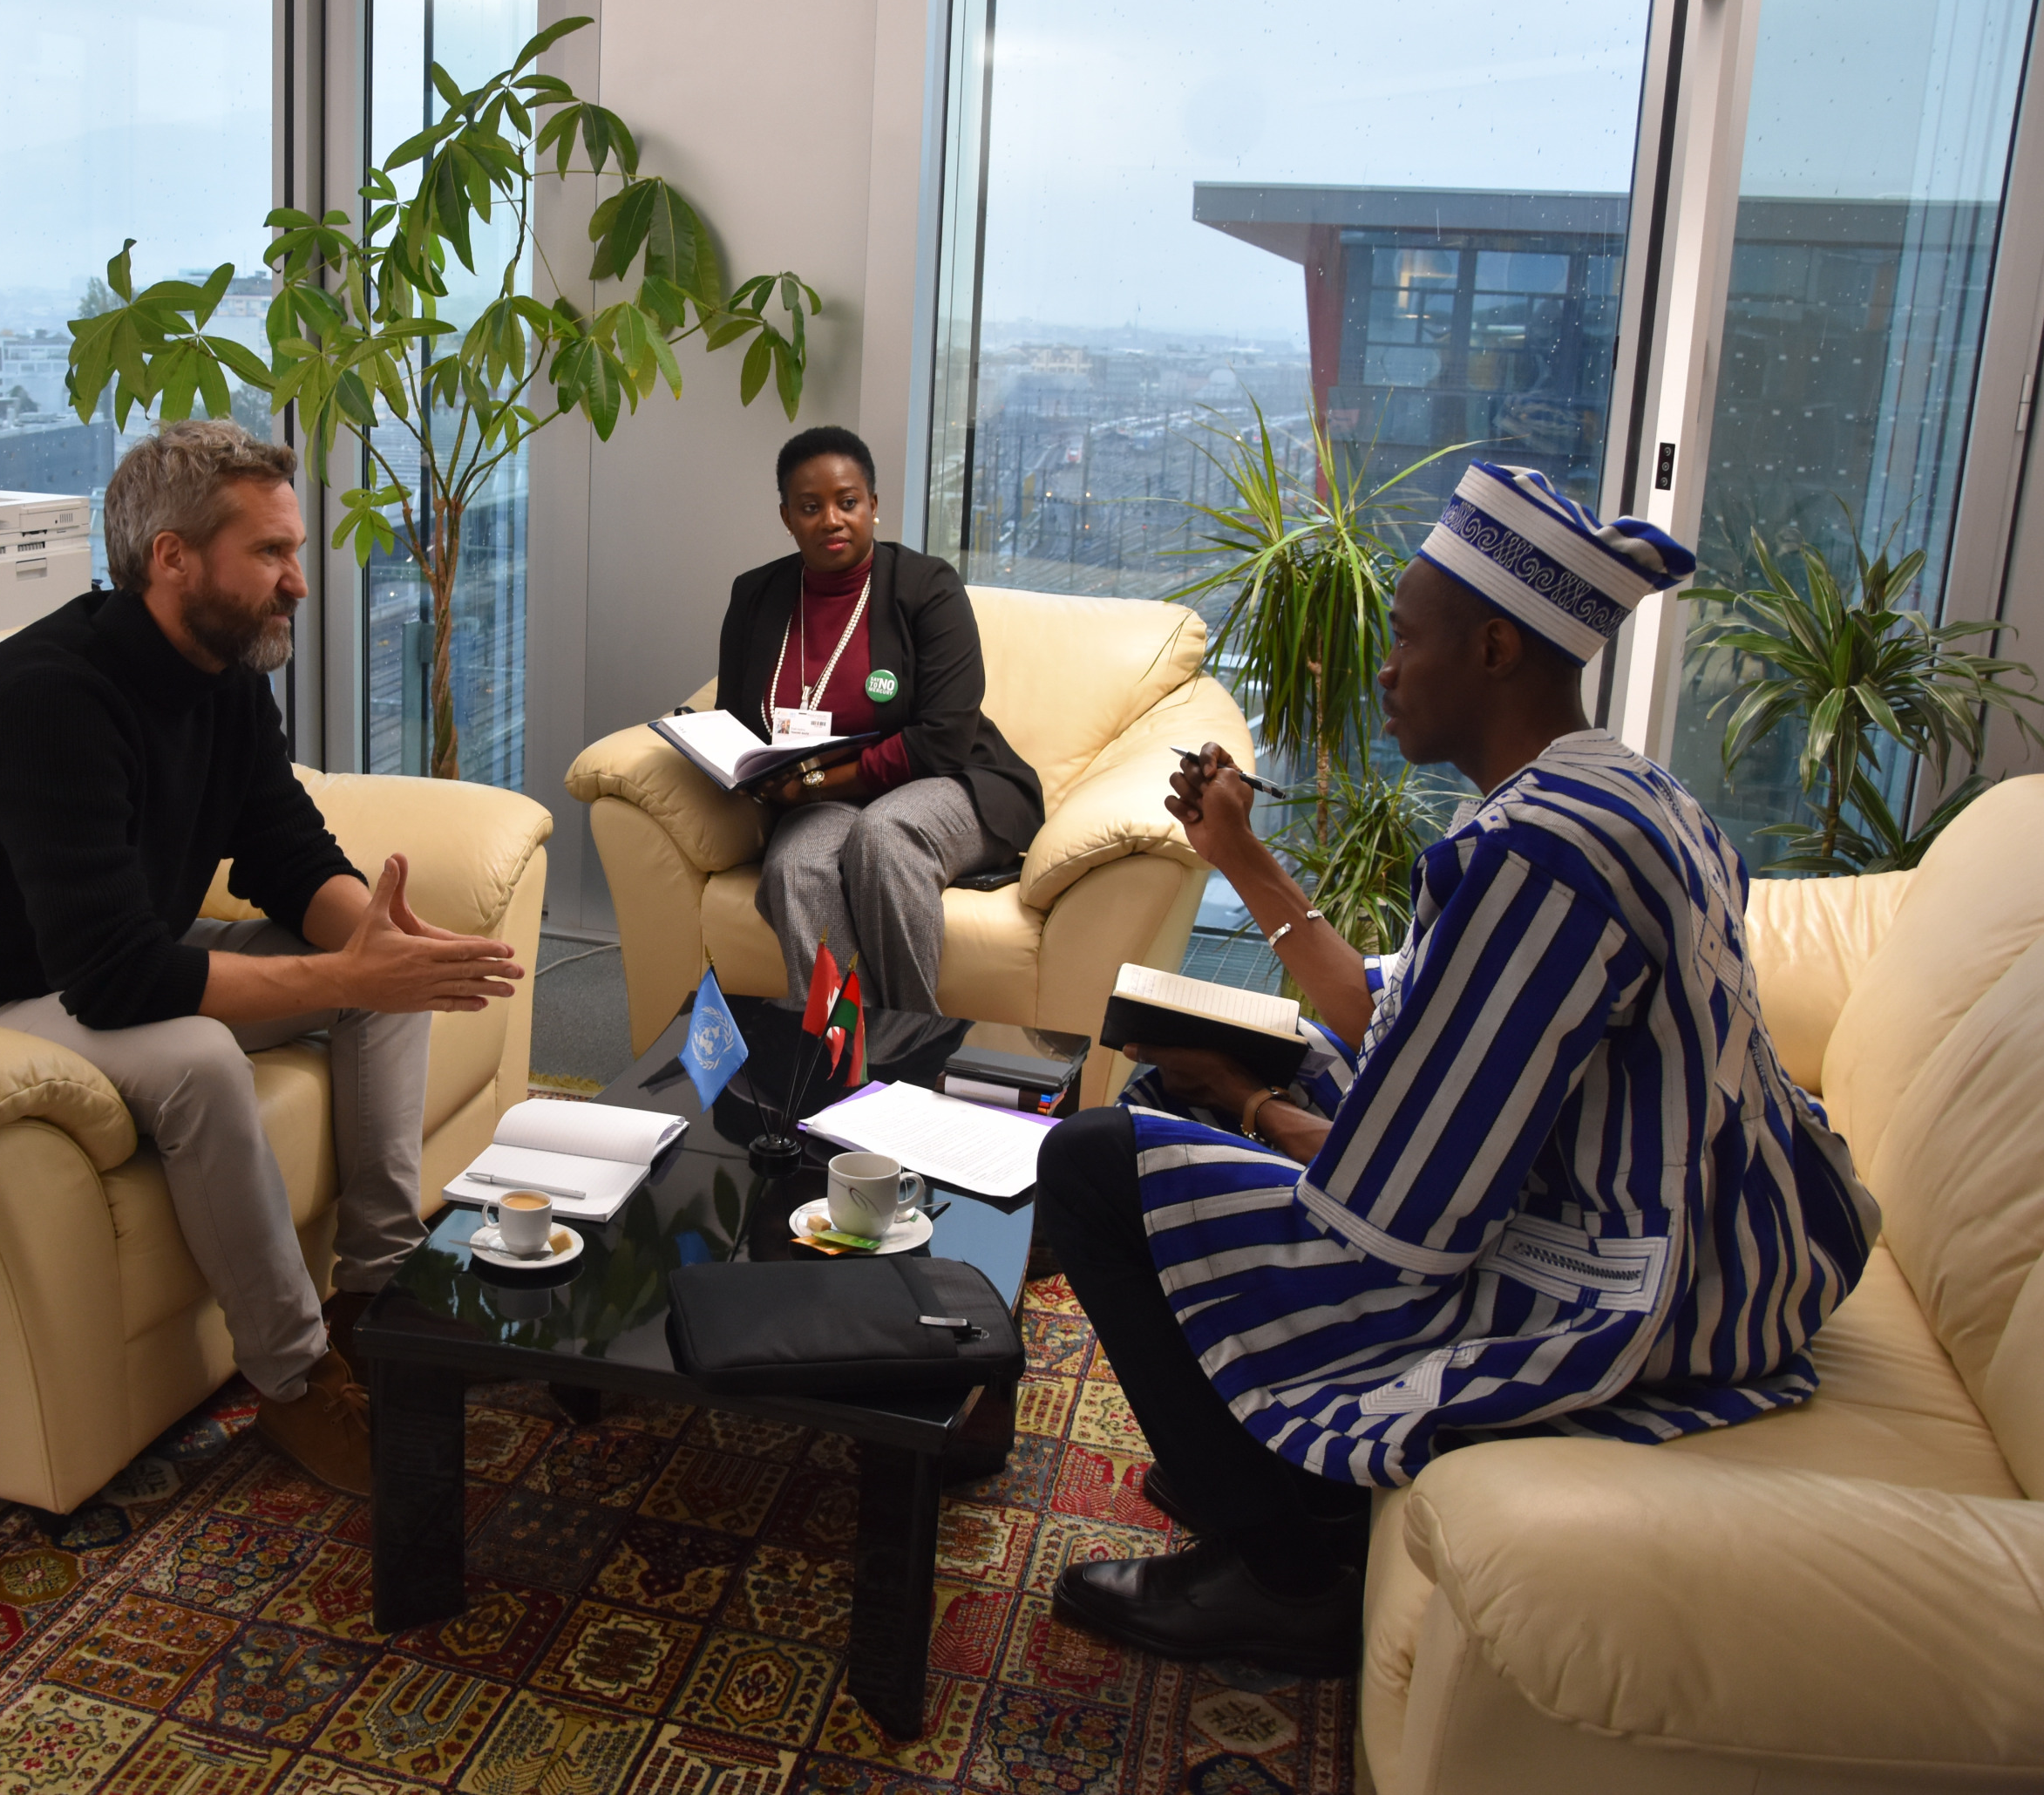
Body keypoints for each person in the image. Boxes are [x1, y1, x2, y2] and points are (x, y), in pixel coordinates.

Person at [1036, 462, 1878, 1677]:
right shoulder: (1624, 788)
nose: (1384, 667)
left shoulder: (1534, 861)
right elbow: (1394, 1019)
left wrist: (1247, 1101)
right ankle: (1276, 1467)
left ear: (1493, 648)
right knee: (1219, 1073)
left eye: (1407, 639)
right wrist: (1238, 853)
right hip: (1731, 1227)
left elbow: (1403, 1213)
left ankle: (1276, 1566)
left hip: (1644, 1289)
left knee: (1097, 1159)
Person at [0, 419, 523, 1495]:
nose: (298, 581)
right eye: (270, 554)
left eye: (291, 552)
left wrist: (384, 950)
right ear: (172, 557)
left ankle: (377, 1301)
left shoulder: (220, 669)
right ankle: (295, 1386)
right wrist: (346, 973)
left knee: (378, 979)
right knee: (203, 1059)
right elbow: (115, 979)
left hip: (108, 962)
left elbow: (288, 854)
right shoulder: (50, 700)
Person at [719, 425, 1043, 1013]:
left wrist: (814, 782)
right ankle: (846, 1056)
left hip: (950, 783)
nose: (832, 520)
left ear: (874, 505)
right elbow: (739, 720)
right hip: (819, 798)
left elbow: (943, 739)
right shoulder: (757, 596)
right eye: (810, 507)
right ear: (787, 517)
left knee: (884, 836)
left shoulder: (927, 587)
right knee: (793, 868)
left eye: (848, 502)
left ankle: (912, 1052)